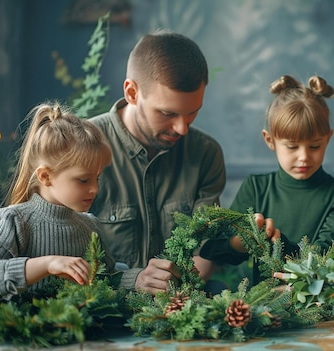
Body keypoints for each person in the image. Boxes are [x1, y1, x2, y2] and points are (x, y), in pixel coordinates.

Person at [87, 30, 279, 294]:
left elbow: (203, 252)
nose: (182, 128)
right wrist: (134, 281)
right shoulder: (82, 148)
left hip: (182, 312)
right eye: (167, 114)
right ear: (132, 92)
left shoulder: (206, 154)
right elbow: (59, 254)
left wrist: (174, 294)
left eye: (192, 113)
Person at [0, 102, 131, 300]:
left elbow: (108, 277)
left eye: (97, 178)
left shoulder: (90, 226)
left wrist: (138, 278)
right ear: (45, 176)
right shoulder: (13, 222)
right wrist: (47, 265)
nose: (95, 188)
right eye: (84, 180)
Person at [200, 75, 334, 284]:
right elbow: (213, 249)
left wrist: (278, 243)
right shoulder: (256, 188)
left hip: (321, 306)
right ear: (270, 140)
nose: (303, 156)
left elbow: (326, 259)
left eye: (314, 146)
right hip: (263, 308)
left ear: (327, 139)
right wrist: (239, 243)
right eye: (292, 147)